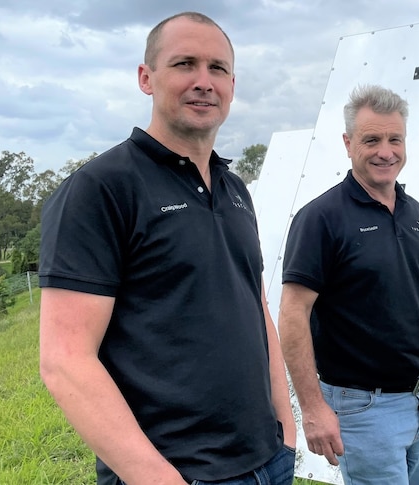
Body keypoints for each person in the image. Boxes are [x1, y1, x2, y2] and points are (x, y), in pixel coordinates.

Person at [38, 12, 295, 485]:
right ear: (146, 78)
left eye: (217, 68)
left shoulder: (236, 189)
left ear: (233, 85)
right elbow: (65, 360)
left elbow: (256, 307)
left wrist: (286, 429)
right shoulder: (101, 189)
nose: (203, 81)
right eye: (184, 64)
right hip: (177, 473)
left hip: (267, 461)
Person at [278, 84, 419, 485]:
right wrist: (312, 408)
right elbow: (294, 313)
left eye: (394, 139)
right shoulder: (321, 219)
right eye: (372, 140)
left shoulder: (416, 213)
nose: (386, 151)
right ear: (348, 143)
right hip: (365, 408)